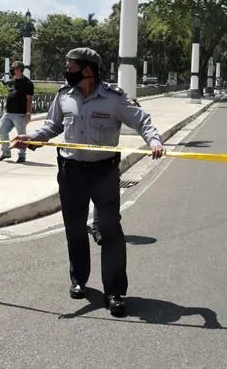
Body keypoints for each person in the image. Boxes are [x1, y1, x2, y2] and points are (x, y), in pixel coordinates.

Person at [13, 47, 164, 318]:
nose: (66, 71)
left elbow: (142, 120)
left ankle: (114, 291)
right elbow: (53, 126)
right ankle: (79, 279)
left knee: (110, 231)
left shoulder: (114, 98)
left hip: (104, 173)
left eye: (70, 67)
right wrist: (34, 138)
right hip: (71, 172)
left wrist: (154, 141)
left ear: (87, 70)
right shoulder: (63, 96)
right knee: (74, 228)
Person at [0, 61, 34, 163]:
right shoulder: (12, 81)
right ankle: (6, 152)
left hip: (20, 114)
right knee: (2, 130)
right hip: (8, 113)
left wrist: (28, 113)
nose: (12, 70)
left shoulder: (28, 83)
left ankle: (22, 155)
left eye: (14, 68)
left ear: (20, 70)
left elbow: (29, 99)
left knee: (21, 134)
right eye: (12, 68)